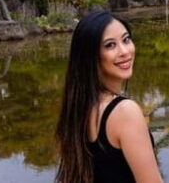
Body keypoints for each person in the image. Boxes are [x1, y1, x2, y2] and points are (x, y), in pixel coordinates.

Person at [55, 11, 162, 183]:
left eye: (126, 39)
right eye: (110, 45)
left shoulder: (77, 108)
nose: (125, 51)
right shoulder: (125, 112)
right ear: (91, 56)